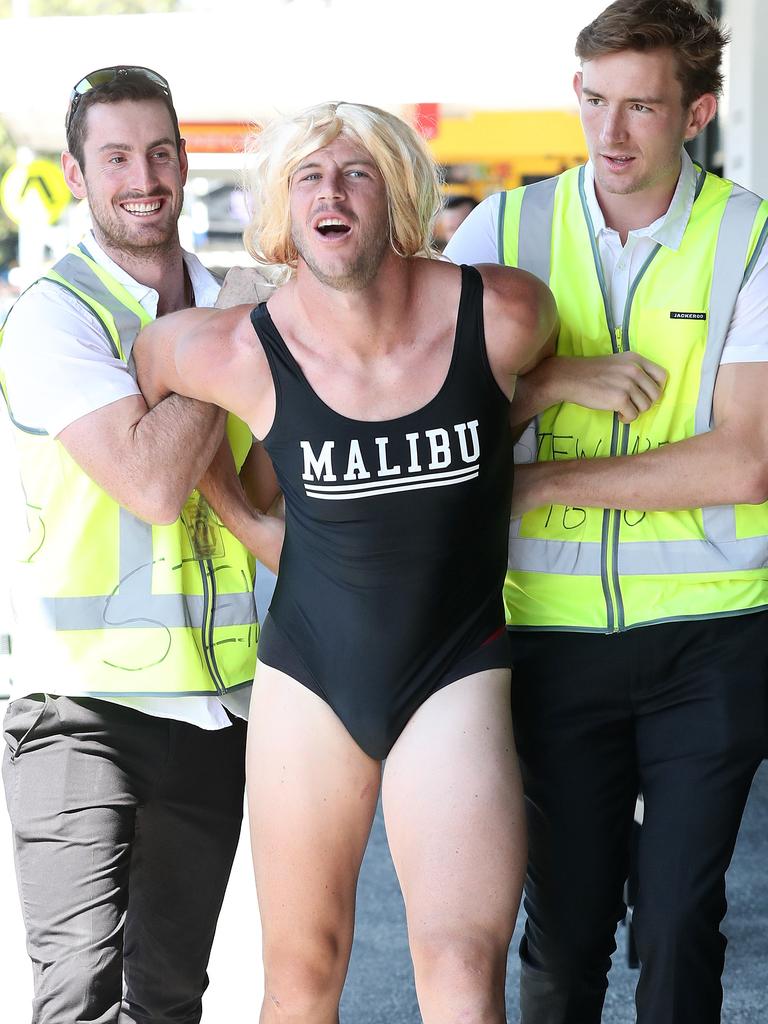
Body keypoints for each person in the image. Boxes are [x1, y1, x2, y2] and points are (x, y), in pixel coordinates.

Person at [132, 100, 557, 1024]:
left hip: (457, 666)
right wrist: (245, 518)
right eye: (309, 176)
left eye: (356, 172)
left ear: (397, 195)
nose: (333, 191)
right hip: (310, 680)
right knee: (301, 975)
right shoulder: (235, 347)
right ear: (285, 211)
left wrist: (554, 386)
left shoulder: (504, 311)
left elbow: (500, 403)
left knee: (458, 965)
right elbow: (153, 373)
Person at [445, 3, 768, 1022]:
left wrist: (533, 485)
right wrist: (549, 385)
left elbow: (747, 460)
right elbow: (438, 432)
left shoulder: (753, 239)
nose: (611, 134)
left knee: (678, 919)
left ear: (698, 112)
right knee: (569, 924)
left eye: (641, 107)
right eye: (593, 102)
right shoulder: (503, 229)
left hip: (713, 637)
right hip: (546, 636)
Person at [0, 66, 276, 1024]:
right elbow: (154, 484)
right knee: (78, 991)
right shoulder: (54, 315)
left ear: (186, 161)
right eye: (115, 156)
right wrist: (229, 340)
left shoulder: (243, 303)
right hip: (77, 704)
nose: (143, 176)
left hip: (214, 711)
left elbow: (273, 487)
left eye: (160, 151)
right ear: (77, 175)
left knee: (169, 996)